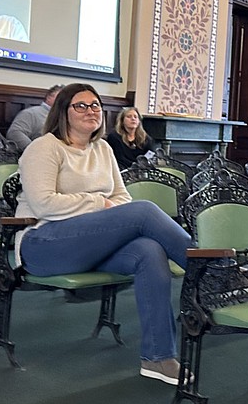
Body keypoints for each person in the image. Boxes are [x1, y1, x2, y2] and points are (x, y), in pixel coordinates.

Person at [14, 83, 191, 384]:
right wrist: (98, 203)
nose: (90, 110)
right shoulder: (44, 147)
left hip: (91, 242)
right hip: (43, 244)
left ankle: (158, 357)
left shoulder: (103, 149)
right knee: (145, 211)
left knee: (149, 251)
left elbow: (122, 198)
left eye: (95, 105)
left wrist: (104, 210)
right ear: (63, 112)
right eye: (80, 105)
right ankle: (212, 274)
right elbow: (44, 204)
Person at [6, 84, 63, 151]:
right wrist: (34, 151)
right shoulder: (31, 113)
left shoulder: (69, 117)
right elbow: (14, 133)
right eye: (60, 97)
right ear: (49, 97)